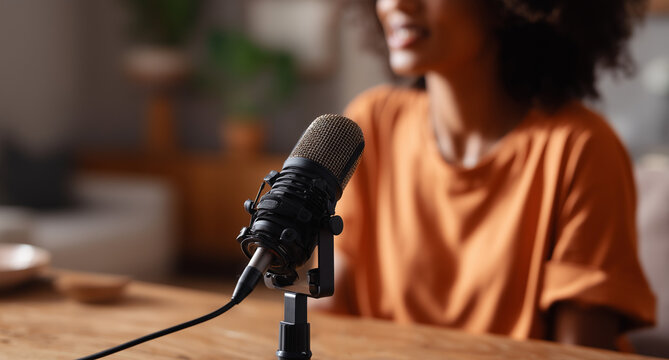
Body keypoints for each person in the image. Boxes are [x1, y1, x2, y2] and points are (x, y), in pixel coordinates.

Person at [312, 0, 656, 350]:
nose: (396, 4)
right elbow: (330, 310)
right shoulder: (370, 125)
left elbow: (580, 353)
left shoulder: (581, 149)